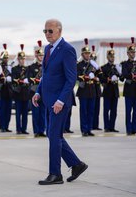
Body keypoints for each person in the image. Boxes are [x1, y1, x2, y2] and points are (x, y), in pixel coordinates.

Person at [32, 19, 87, 185]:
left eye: (50, 31)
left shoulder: (67, 50)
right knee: (52, 134)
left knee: (54, 136)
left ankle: (55, 174)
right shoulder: (48, 49)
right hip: (48, 100)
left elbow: (71, 79)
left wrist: (61, 100)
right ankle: (77, 165)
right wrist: (38, 92)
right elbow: (46, 75)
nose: (47, 34)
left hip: (59, 102)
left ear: (59, 31)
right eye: (45, 31)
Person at [76, 38, 100, 137]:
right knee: (84, 111)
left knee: (91, 111)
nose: (87, 55)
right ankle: (84, 130)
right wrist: (86, 77)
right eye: (85, 53)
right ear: (82, 55)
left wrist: (95, 76)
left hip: (92, 90)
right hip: (83, 90)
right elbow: (76, 76)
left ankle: (89, 129)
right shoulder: (79, 65)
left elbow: (99, 74)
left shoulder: (93, 64)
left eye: (88, 53)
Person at [100, 43, 121, 132]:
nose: (112, 58)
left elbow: (121, 76)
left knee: (114, 111)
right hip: (107, 91)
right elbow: (101, 78)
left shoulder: (116, 67)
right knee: (106, 110)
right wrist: (107, 79)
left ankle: (112, 127)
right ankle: (106, 127)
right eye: (110, 56)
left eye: (113, 56)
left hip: (115, 91)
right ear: (107, 57)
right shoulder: (104, 67)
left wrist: (119, 72)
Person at [27, 40, 46, 137]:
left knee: (43, 112)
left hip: (44, 92)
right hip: (35, 91)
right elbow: (30, 79)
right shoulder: (31, 67)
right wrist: (38, 80)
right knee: (36, 113)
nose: (41, 57)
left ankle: (42, 130)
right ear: (36, 56)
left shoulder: (46, 67)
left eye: (42, 56)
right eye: (39, 56)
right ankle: (36, 131)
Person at [12, 44, 30, 135]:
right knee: (18, 113)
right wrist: (22, 81)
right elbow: (14, 80)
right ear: (18, 59)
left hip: (26, 93)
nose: (22, 60)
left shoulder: (27, 69)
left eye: (23, 59)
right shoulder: (15, 69)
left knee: (25, 113)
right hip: (18, 93)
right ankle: (18, 129)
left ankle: (24, 128)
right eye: (21, 59)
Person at [0, 44, 13, 133]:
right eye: (4, 58)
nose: (6, 60)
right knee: (2, 110)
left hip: (9, 92)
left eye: (7, 58)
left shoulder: (9, 67)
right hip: (2, 91)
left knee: (8, 111)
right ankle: (2, 126)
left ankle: (6, 126)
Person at [90, 45, 103, 131]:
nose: (94, 59)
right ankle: (90, 125)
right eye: (93, 58)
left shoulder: (97, 66)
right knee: (91, 109)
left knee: (97, 109)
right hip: (91, 88)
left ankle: (96, 125)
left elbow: (101, 75)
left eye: (95, 58)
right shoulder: (89, 67)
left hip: (97, 89)